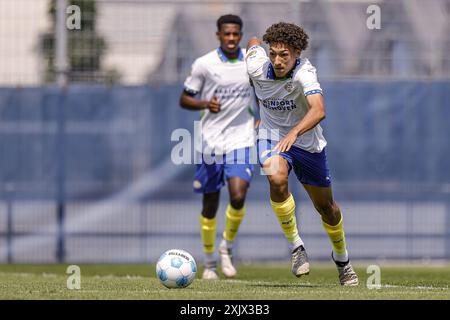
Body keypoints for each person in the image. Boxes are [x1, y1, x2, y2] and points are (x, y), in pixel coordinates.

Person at [245, 22, 358, 286]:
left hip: (306, 142)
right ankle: (297, 247)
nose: (276, 60)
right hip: (272, 136)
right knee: (275, 175)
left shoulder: (304, 73)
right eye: (272, 53)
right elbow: (252, 42)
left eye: (284, 55)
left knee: (327, 209)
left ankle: (342, 260)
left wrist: (294, 133)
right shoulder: (256, 65)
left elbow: (318, 110)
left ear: (296, 53)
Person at [179, 14, 255, 280]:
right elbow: (184, 99)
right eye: (227, 34)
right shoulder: (204, 64)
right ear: (218, 35)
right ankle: (209, 261)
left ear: (241, 35)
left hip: (241, 139)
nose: (231, 39)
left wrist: (260, 118)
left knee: (237, 195)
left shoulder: (250, 61)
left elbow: (265, 90)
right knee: (210, 204)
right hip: (210, 142)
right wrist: (204, 104)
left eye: (236, 34)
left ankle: (227, 247)